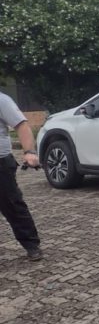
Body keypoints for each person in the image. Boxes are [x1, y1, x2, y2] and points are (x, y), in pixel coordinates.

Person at [0, 92, 43, 261]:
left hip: (1, 163)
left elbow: (21, 125)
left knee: (12, 205)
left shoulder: (2, 100)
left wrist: (30, 152)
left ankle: (31, 244)